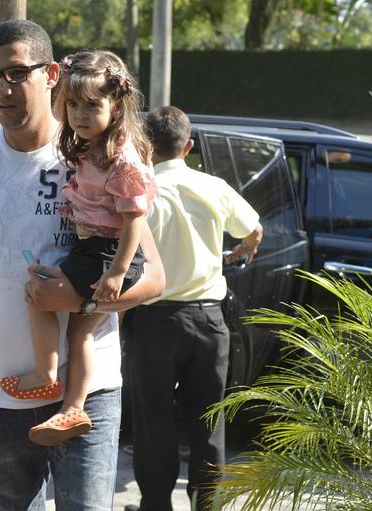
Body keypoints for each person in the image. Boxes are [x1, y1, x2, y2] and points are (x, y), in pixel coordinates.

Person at [0, 19, 165, 510]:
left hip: (86, 398)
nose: (3, 88)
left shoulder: (96, 153)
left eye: (18, 73)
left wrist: (80, 298)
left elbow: (153, 278)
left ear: (53, 75)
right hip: (1, 393)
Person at [0, 49, 155, 447]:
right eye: (72, 104)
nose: (80, 114)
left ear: (116, 107)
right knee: (81, 335)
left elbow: (134, 221)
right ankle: (73, 406)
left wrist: (117, 273)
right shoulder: (93, 148)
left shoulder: (122, 160)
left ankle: (45, 374)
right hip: (96, 250)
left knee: (39, 293)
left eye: (92, 105)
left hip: (107, 253)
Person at [127, 106, 263, 511]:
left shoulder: (139, 188)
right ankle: (208, 505)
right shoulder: (213, 186)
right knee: (208, 422)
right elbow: (254, 229)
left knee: (153, 422)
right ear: (187, 146)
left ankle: (155, 505)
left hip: (153, 319)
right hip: (208, 320)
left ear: (145, 146)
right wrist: (243, 249)